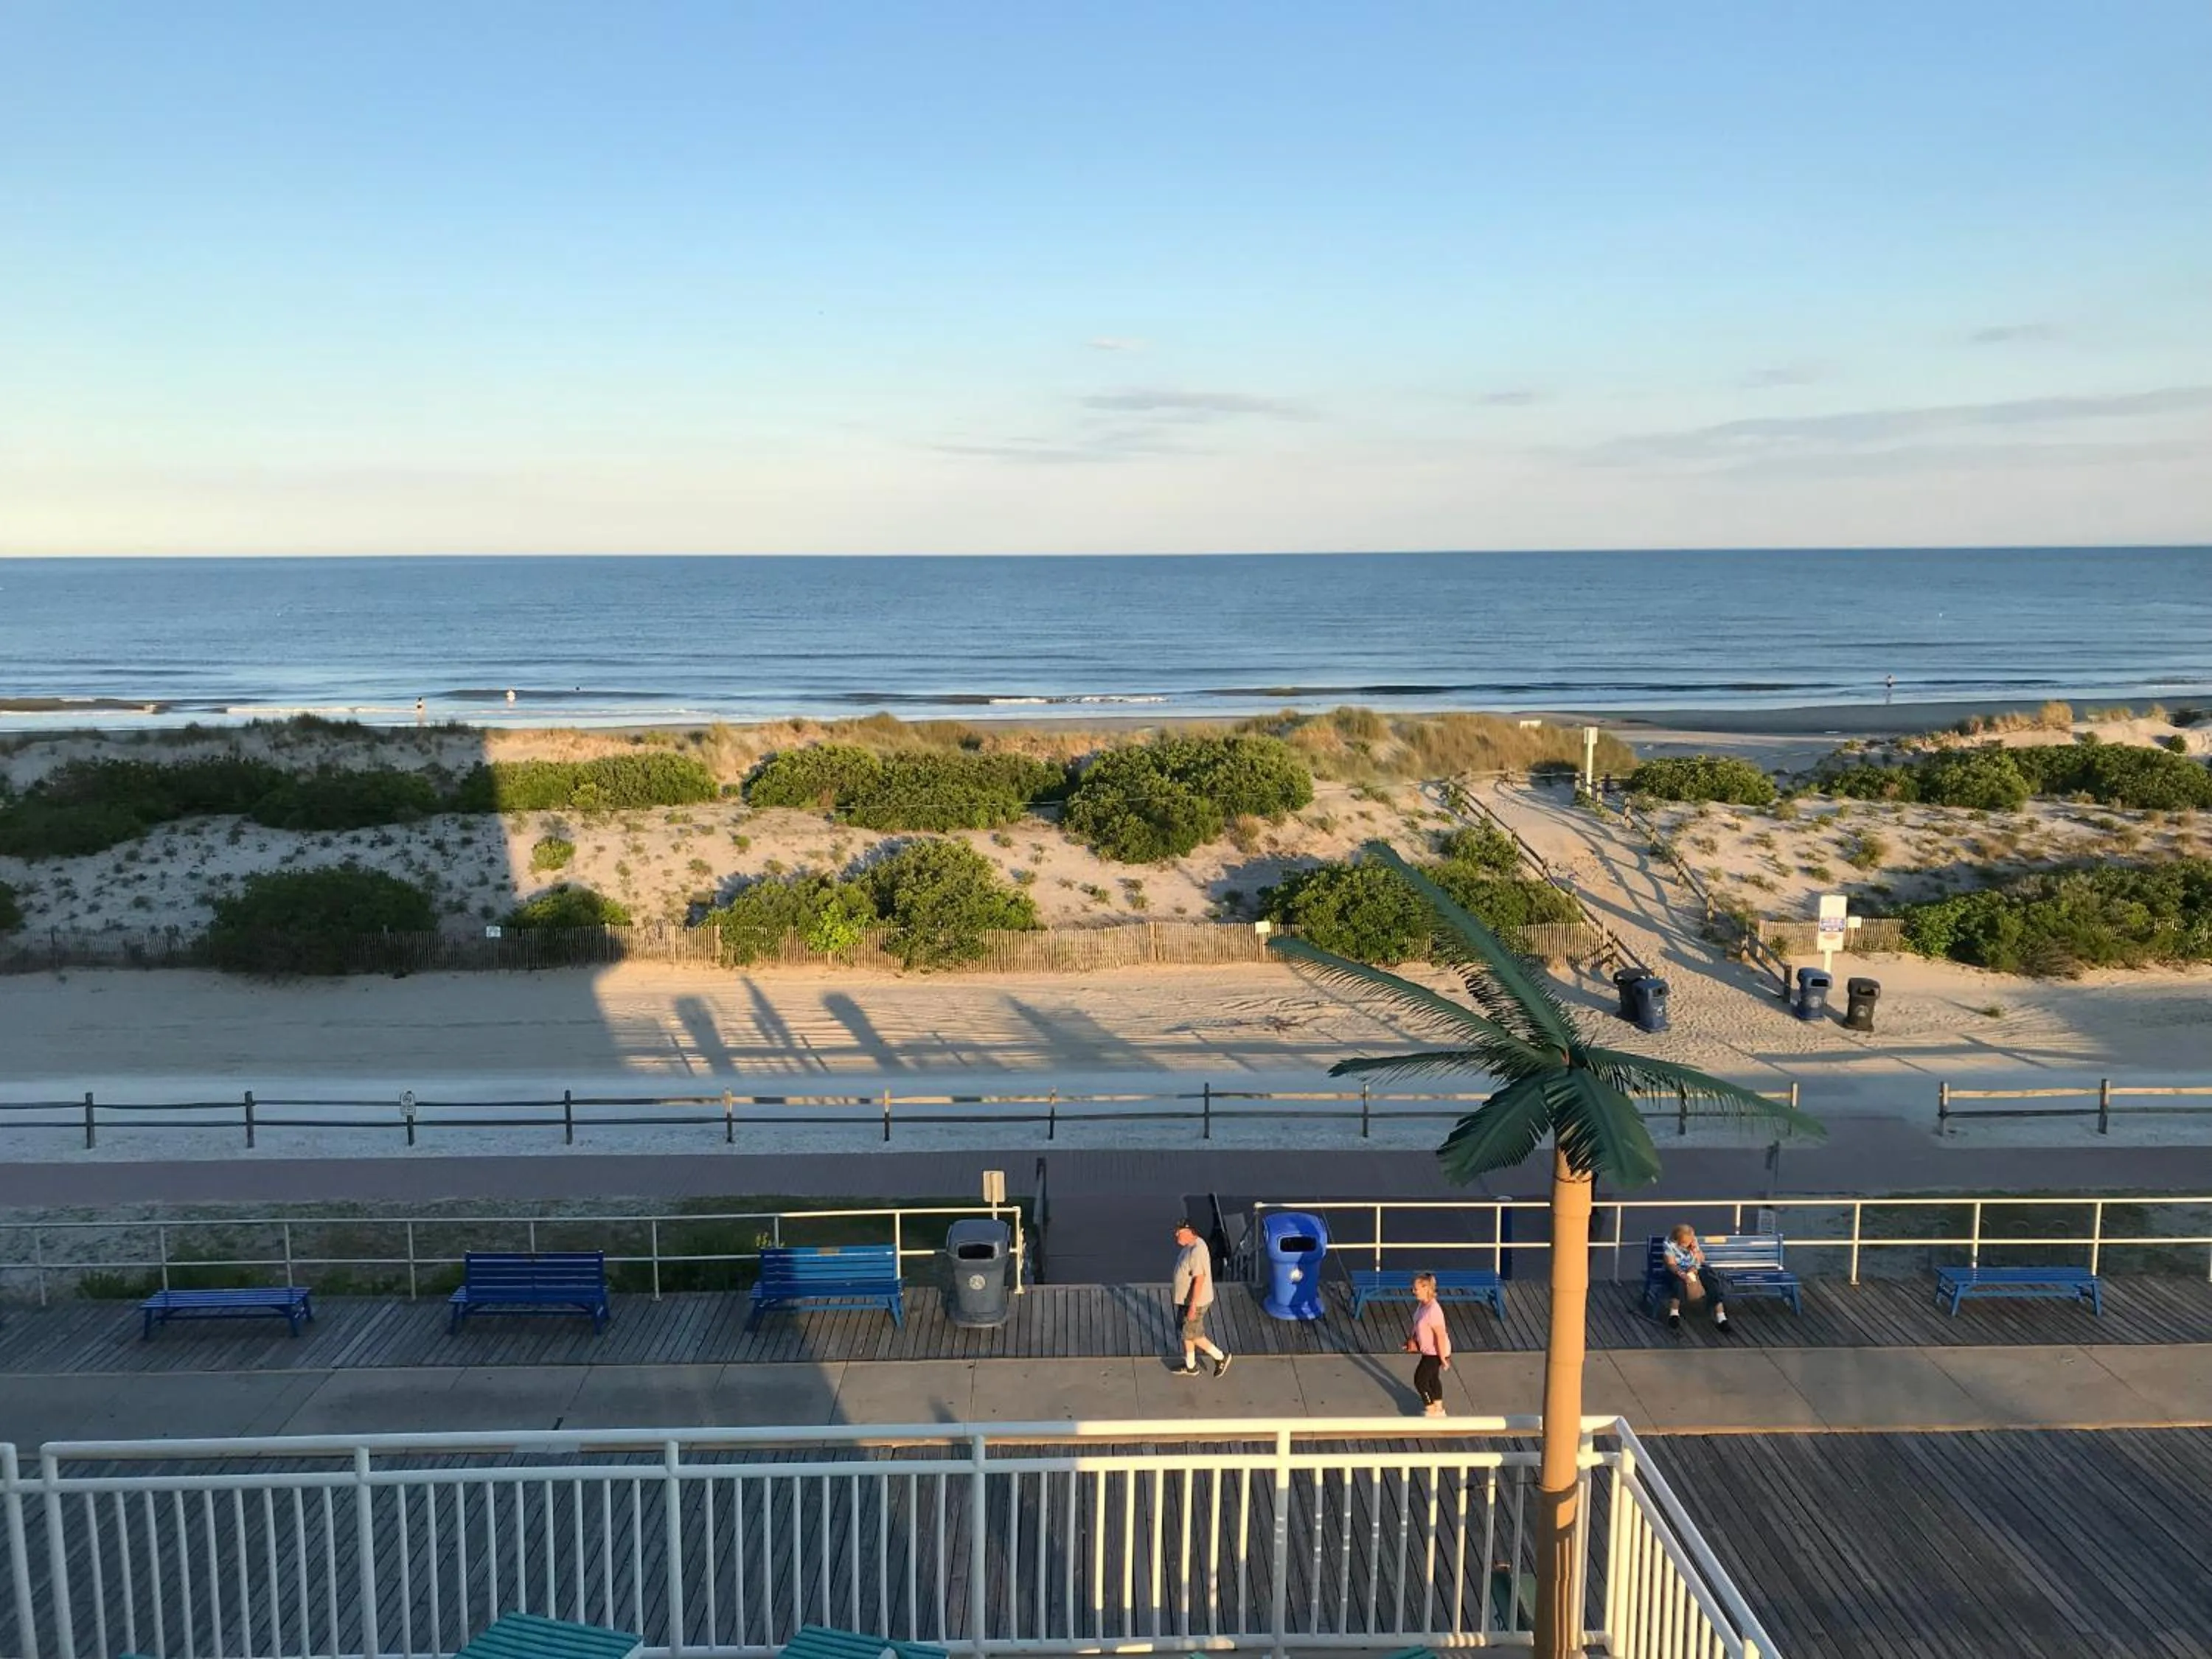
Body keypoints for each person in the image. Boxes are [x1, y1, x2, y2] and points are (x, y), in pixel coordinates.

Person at [1169, 1218, 1232, 1377]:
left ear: (1191, 1232)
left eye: (1180, 1232)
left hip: (1195, 1301)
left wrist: (1193, 1305)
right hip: (1186, 1300)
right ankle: (1191, 1366)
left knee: (1193, 1334)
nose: (1176, 1234)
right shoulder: (1192, 1245)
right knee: (1186, 1332)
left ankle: (1220, 1357)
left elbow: (1200, 1279)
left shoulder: (1197, 1251)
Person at [1662, 1224, 1731, 1332]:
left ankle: (1721, 1317)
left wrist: (1695, 1253)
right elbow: (1671, 1264)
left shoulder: (1692, 1241)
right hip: (1677, 1270)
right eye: (1685, 1242)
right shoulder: (1669, 1244)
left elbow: (1701, 1260)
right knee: (1678, 1283)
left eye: (1690, 1241)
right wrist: (1682, 1274)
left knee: (1711, 1281)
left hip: (1694, 1269)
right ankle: (1674, 1314)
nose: (1688, 1244)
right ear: (1677, 1239)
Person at [1404, 1272, 1453, 1416]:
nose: (1413, 1292)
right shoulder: (1422, 1306)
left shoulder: (1434, 1310)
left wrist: (1443, 1358)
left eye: (1416, 1289)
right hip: (1428, 1351)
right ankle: (1439, 1409)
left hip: (1436, 1352)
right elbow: (1418, 1325)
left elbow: (1441, 1335)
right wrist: (1412, 1341)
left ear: (1426, 1288)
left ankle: (1431, 1410)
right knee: (1432, 1379)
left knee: (1420, 1380)